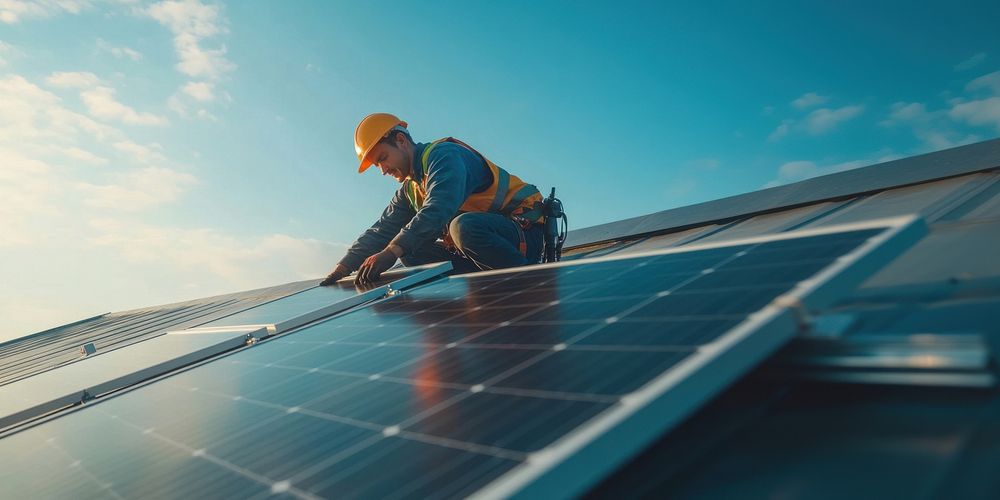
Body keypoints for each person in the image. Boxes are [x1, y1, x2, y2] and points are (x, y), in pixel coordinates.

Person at [320, 113, 546, 286]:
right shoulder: (411, 188)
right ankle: (485, 289)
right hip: (482, 251)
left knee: (461, 227)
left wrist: (391, 252)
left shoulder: (444, 156)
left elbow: (439, 206)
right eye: (378, 165)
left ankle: (527, 283)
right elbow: (382, 229)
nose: (383, 170)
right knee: (412, 250)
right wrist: (342, 268)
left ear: (401, 141)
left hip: (522, 236)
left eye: (383, 159)